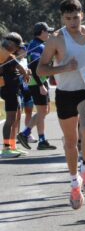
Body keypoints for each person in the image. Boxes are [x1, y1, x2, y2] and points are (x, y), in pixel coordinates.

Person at [37, 0, 85, 209]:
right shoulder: (56, 39)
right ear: (62, 18)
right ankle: (74, 183)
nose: (72, 22)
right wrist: (63, 68)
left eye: (75, 17)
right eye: (68, 18)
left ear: (82, 15)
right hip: (65, 93)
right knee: (70, 142)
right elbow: (41, 70)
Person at [17, 23, 56, 151]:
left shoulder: (38, 44)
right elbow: (34, 66)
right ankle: (25, 133)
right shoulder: (36, 46)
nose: (49, 34)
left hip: (40, 81)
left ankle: (41, 140)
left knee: (44, 111)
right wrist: (40, 85)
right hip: (37, 82)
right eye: (47, 31)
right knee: (42, 112)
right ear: (41, 32)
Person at [1, 33, 31, 158]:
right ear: (10, 43)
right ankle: (6, 148)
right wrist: (24, 73)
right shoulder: (4, 53)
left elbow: (15, 67)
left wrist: (23, 73)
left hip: (13, 89)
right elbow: (16, 64)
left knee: (15, 118)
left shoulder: (9, 55)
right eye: (17, 46)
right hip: (8, 90)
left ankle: (12, 146)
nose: (18, 49)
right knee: (10, 119)